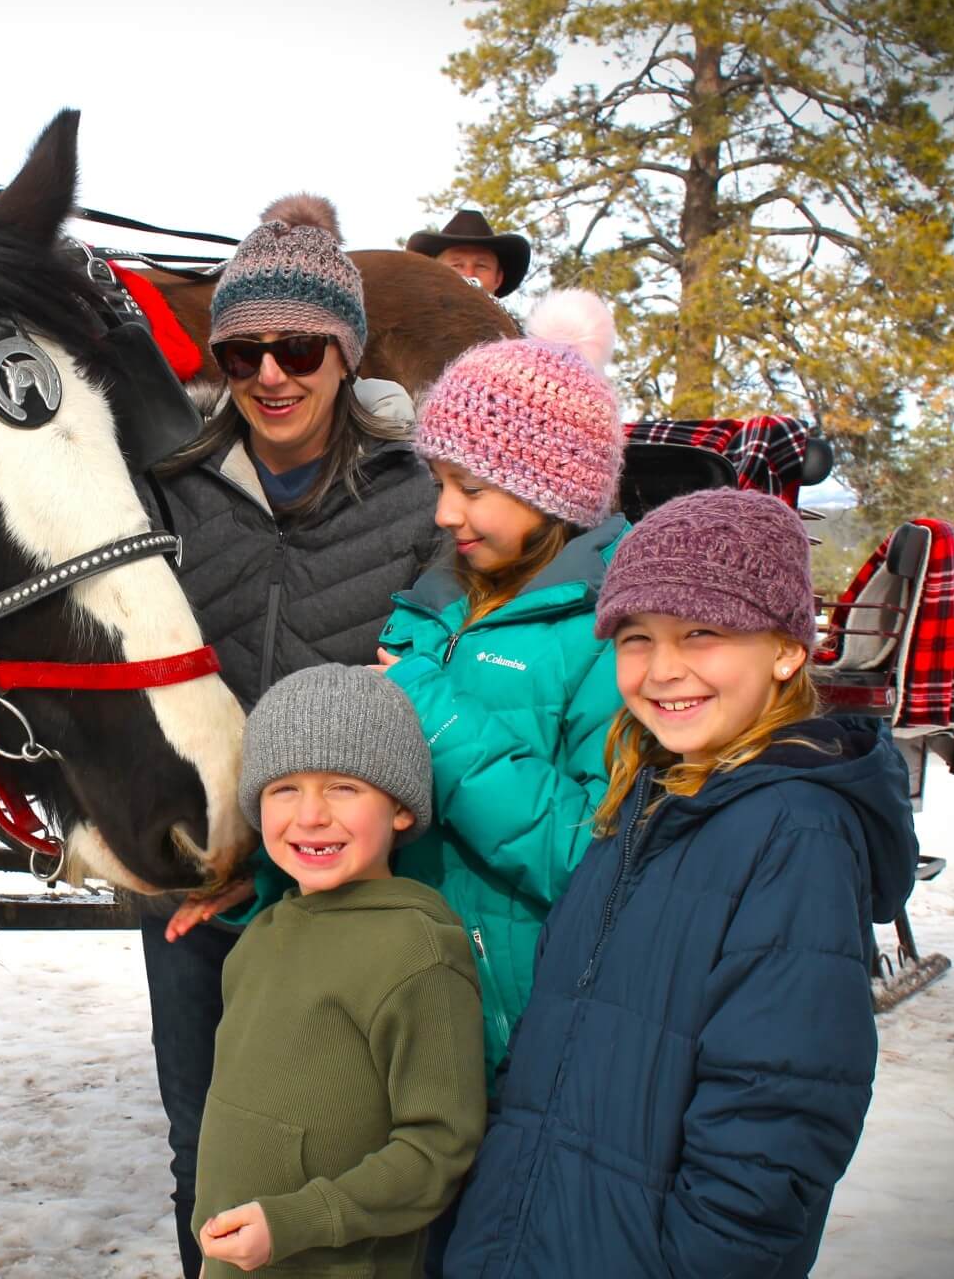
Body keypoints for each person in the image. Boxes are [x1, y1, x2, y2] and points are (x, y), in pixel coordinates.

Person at [442, 487, 916, 1278]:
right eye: (636, 637)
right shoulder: (646, 801)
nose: (663, 670)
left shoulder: (791, 832)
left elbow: (776, 1125)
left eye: (702, 633)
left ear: (786, 649)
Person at [146, 194, 442, 1278]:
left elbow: (430, 690)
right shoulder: (168, 492)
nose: (271, 372)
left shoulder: (413, 500)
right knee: (206, 1139)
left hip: (341, 883)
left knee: (343, 1146)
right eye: (243, 349)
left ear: (346, 351)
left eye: (300, 345)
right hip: (199, 872)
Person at [373, 289, 627, 1096]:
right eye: (440, 482)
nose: (444, 511)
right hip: (405, 1012)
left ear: (550, 489)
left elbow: (590, 855)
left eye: (471, 487)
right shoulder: (433, 603)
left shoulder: (612, 639)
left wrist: (433, 714)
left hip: (518, 1039)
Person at [192, 664, 484, 1278]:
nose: (311, 815)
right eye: (284, 789)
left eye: (344, 787)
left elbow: (438, 1149)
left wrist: (299, 1220)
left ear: (401, 807)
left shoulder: (417, 950)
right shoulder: (260, 939)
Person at [406, 210, 530, 298]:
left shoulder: (514, 333)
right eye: (457, 265)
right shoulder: (400, 330)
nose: (470, 276)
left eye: (481, 266)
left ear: (498, 278)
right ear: (433, 274)